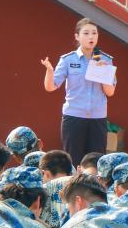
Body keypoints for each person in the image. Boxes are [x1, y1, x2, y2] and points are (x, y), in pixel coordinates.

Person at [41, 18, 117, 166]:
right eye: (86, 33)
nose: (91, 36)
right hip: (74, 117)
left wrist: (103, 72)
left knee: (96, 163)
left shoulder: (105, 59)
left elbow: (110, 92)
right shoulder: (68, 59)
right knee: (73, 162)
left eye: (94, 33)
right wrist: (49, 71)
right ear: (77, 36)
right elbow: (50, 87)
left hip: (97, 118)